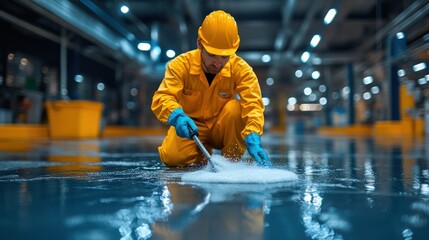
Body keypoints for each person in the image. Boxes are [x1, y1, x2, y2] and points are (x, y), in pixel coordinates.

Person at [151, 10, 271, 168]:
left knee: (236, 108)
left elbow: (253, 105)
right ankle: (201, 152)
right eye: (212, 54)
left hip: (221, 129)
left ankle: (230, 161)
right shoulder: (180, 66)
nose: (218, 63)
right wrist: (177, 117)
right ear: (200, 44)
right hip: (191, 129)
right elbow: (162, 98)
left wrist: (253, 135)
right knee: (172, 157)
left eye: (224, 56)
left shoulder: (241, 70)